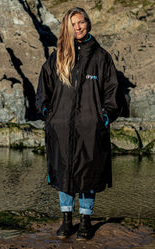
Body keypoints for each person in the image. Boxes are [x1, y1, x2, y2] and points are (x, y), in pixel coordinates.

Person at [36, 7, 119, 240]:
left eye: (81, 22)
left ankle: (85, 221)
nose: (78, 27)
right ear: (67, 27)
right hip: (61, 127)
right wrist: (48, 113)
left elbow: (112, 92)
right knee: (64, 173)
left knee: (88, 174)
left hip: (90, 128)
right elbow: (44, 88)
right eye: (73, 24)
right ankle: (65, 221)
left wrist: (104, 116)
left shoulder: (101, 57)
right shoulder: (58, 55)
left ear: (88, 23)